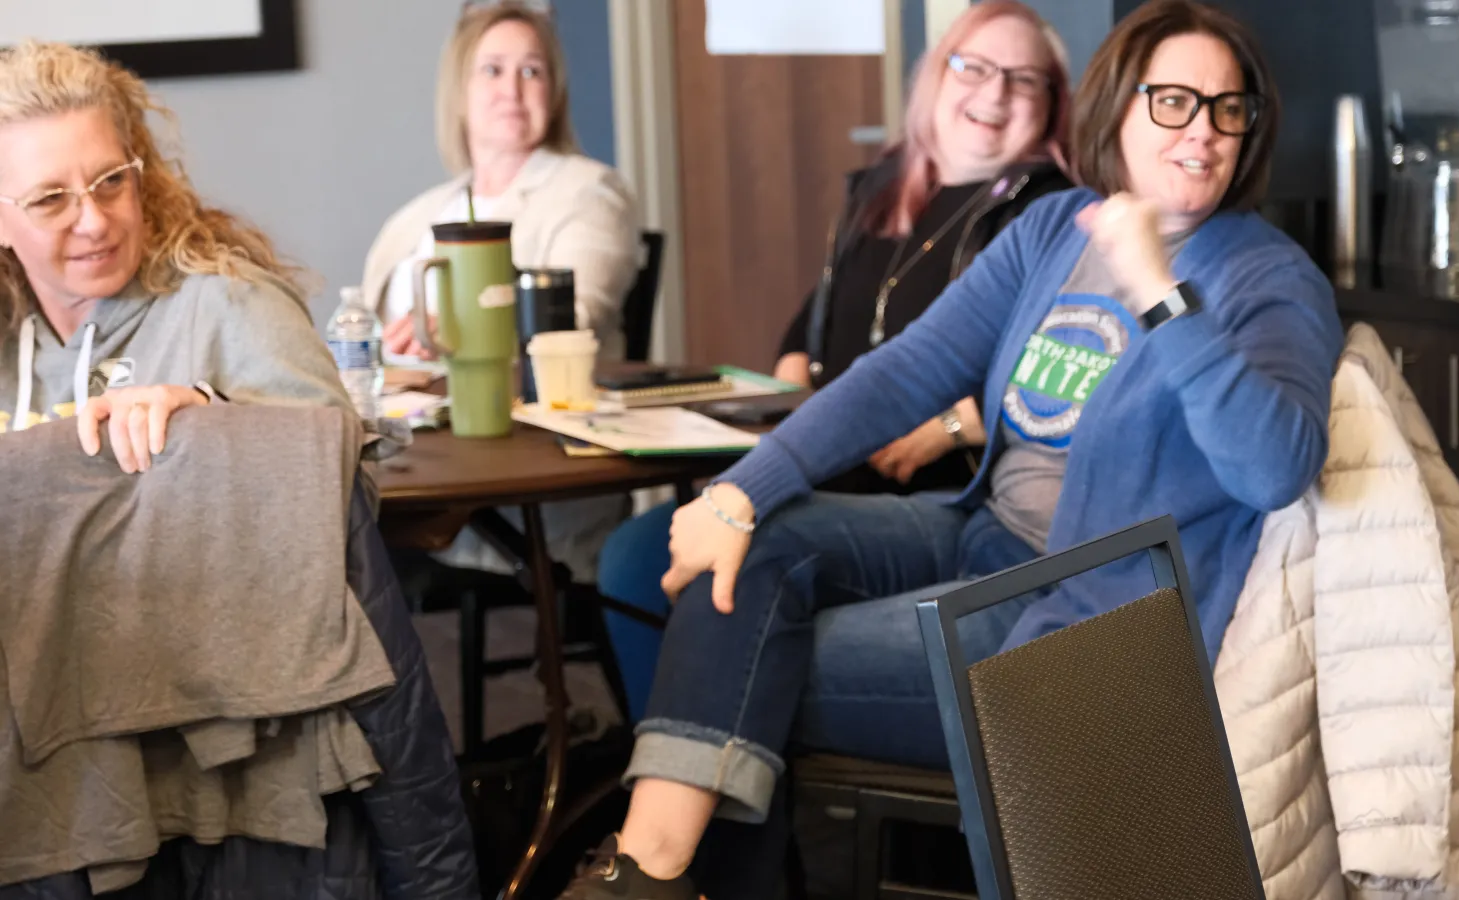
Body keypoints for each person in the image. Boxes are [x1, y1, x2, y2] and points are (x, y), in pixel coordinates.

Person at [561, 1, 1344, 897]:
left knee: (737, 651)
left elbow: (1275, 467)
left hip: (1091, 617)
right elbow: (910, 368)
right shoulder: (1058, 230)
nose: (1202, 131)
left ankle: (649, 875)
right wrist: (736, 493)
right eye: (1173, 101)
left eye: (1226, 108)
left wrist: (1160, 294)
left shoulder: (1269, 277)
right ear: (1119, 108)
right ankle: (656, 873)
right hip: (980, 537)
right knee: (747, 554)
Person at [598, 0, 1076, 721]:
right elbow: (813, 321)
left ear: (1051, 105)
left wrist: (950, 427)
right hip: (827, 459)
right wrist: (792, 378)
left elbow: (1056, 376)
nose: (994, 92)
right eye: (973, 67)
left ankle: (725, 788)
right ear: (935, 77)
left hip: (926, 488)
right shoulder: (884, 190)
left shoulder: (1046, 216)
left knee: (676, 572)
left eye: (1022, 79)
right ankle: (676, 763)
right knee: (639, 557)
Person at [362, 0, 640, 582]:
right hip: (410, 459)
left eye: (531, 70)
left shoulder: (588, 194)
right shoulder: (417, 215)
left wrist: (449, 329)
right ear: (458, 90)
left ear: (554, 91)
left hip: (516, 469)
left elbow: (570, 322)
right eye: (492, 70)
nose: (512, 87)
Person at [0, 40, 353, 469]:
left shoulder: (232, 305)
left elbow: (348, 477)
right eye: (51, 199)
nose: (94, 222)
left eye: (111, 180)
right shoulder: (9, 331)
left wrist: (213, 419)